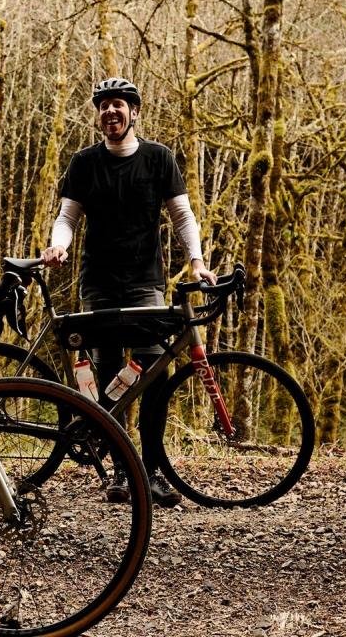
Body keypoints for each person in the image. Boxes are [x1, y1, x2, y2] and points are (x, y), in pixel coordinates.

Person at [42, 77, 218, 507]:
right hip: (98, 283)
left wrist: (196, 261)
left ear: (134, 112)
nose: (110, 112)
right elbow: (68, 217)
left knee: (152, 374)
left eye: (118, 104)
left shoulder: (159, 158)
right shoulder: (84, 163)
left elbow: (182, 215)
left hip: (145, 283)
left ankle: (153, 472)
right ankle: (121, 473)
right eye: (103, 106)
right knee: (105, 374)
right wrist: (58, 245)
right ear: (98, 115)